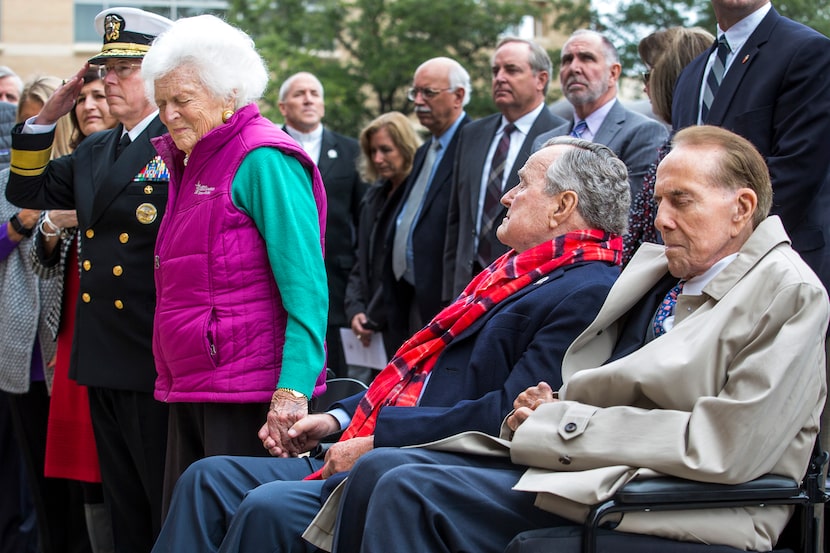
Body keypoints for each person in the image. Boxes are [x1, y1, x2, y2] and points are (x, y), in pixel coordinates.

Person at [328, 125, 828, 553]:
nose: (660, 219)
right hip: (603, 475)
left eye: (682, 201)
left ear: (742, 207)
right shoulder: (667, 273)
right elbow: (615, 383)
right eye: (658, 201)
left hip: (680, 503)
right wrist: (548, 403)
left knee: (402, 487)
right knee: (384, 472)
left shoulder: (790, 292)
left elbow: (727, 446)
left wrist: (562, 422)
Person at [151, 136, 630, 553]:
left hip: (426, 465)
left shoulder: (588, 288)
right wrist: (336, 419)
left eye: (523, 184)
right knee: (206, 478)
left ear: (563, 206)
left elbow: (513, 414)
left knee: (267, 507)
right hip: (384, 447)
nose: (506, 195)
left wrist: (378, 441)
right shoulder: (515, 273)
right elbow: (423, 374)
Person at [141, 14, 329, 516]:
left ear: (230, 94)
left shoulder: (263, 157)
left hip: (250, 395)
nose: (169, 114)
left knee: (232, 526)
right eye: (161, 103)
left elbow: (306, 286)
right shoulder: (193, 159)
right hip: (196, 382)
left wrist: (292, 390)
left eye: (182, 100)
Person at [6, 8, 174, 552]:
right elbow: (27, 192)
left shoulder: (177, 142)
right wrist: (44, 121)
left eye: (126, 67)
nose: (109, 79)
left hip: (151, 349)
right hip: (101, 351)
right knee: (121, 499)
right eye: (105, 67)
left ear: (157, 74)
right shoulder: (97, 148)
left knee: (157, 498)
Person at [672, 0, 830, 291]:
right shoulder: (691, 77)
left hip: (777, 276)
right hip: (697, 279)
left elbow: (798, 171)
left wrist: (717, 244)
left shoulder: (809, 52)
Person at [0, 76, 91, 553]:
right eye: (27, 119)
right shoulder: (7, 181)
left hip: (73, 343)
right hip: (24, 345)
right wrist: (22, 223)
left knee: (84, 478)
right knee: (37, 470)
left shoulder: (85, 172)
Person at [34, 66, 118, 553]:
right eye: (82, 97)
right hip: (71, 333)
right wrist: (50, 226)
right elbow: (44, 265)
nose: (90, 106)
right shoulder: (69, 167)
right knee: (81, 466)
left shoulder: (154, 160)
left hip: (124, 337)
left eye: (98, 96)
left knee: (120, 463)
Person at [442, 37, 565, 299]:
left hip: (523, 284)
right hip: (466, 288)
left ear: (541, 79)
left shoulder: (561, 138)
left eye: (511, 70)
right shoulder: (472, 133)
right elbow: (457, 218)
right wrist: (450, 292)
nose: (499, 78)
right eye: (495, 71)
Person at [278, 72, 367, 377]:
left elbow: (363, 219)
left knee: (335, 371)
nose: (308, 99)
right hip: (281, 275)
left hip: (337, 283)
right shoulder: (268, 148)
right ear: (282, 107)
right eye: (299, 93)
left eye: (315, 93)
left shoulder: (351, 151)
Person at [383, 57, 471, 351]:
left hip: (443, 294)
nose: (418, 101)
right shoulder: (425, 150)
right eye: (415, 93)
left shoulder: (473, 144)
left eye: (428, 93)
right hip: (407, 291)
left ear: (458, 96)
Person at [532, 29, 667, 200]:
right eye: (567, 60)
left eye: (587, 58)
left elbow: (633, 211)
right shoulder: (543, 142)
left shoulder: (643, 133)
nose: (574, 68)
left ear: (613, 73)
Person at [622, 26, 714, 264]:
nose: (645, 86)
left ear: (670, 78)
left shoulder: (692, 154)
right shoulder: (671, 145)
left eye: (649, 74)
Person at [344, 112, 422, 377]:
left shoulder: (418, 194)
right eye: (373, 151)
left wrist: (372, 315)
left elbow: (402, 264)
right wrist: (355, 309)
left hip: (403, 321)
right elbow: (361, 259)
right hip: (370, 323)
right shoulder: (373, 195)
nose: (378, 159)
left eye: (386, 150)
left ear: (405, 147)